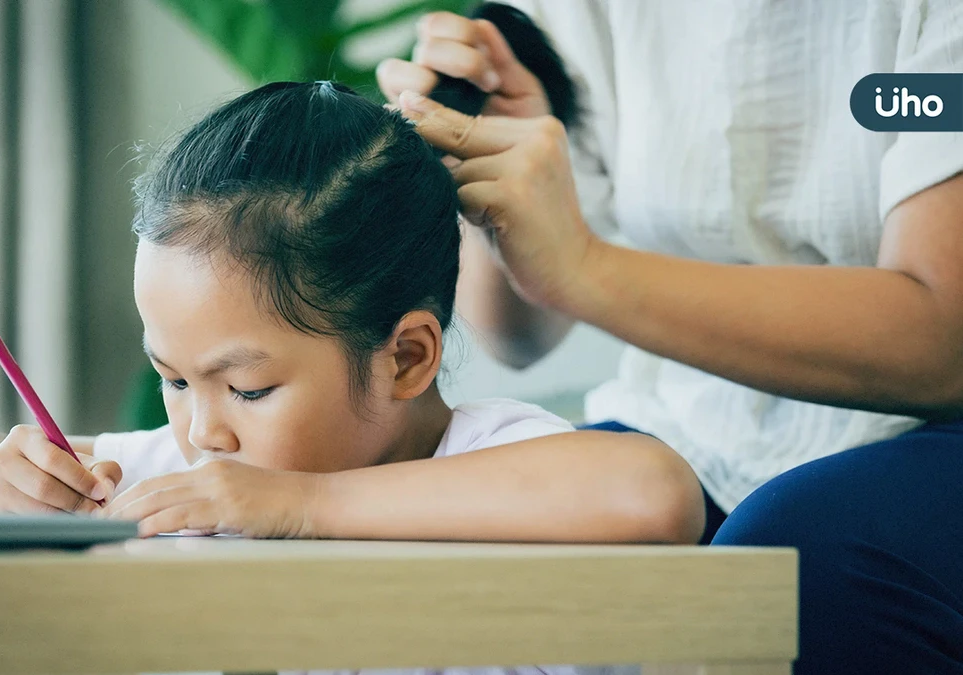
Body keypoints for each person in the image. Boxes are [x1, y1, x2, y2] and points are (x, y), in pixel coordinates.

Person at [376, 3, 963, 674]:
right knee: (463, 562)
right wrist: (504, 179)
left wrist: (583, 269)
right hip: (686, 425)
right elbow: (517, 335)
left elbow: (943, 344)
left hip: (931, 429)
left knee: (787, 572)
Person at [0, 81, 702, 550]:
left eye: (247, 389)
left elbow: (655, 493)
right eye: (172, 378)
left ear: (404, 359)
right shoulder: (187, 471)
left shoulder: (492, 456)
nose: (200, 431)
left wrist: (305, 505)